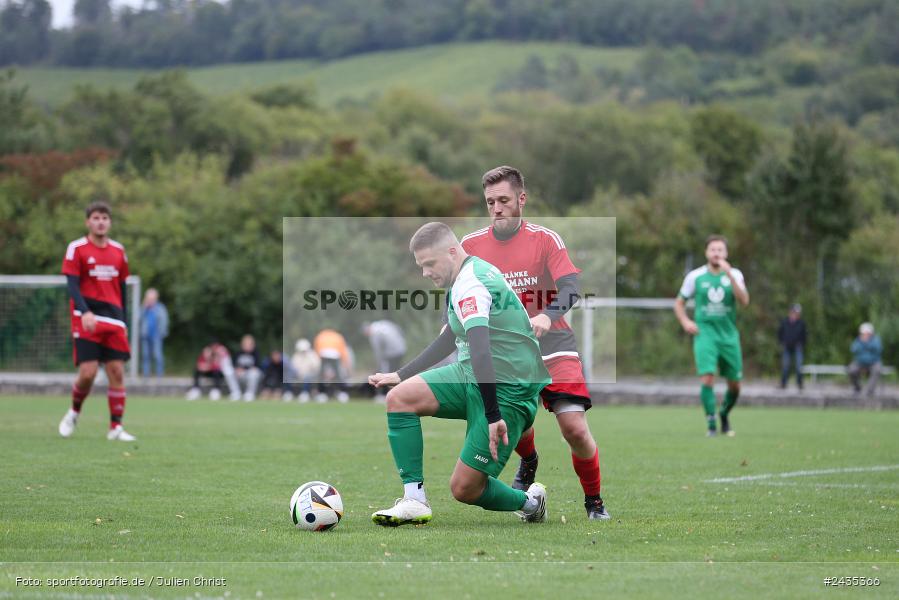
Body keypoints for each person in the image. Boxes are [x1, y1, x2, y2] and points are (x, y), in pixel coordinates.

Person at [368, 222, 551, 527]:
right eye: (421, 266)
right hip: (471, 374)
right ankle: (414, 500)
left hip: (508, 389)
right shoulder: (466, 275)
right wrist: (401, 374)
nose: (425, 272)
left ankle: (531, 503)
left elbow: (480, 350)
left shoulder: (471, 284)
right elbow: (452, 337)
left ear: (452, 252)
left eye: (429, 264)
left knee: (465, 489)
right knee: (399, 398)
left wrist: (493, 417)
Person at [460, 165, 610, 520]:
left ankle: (594, 502)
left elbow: (571, 286)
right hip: (506, 353)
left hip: (554, 344)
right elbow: (459, 295)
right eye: (490, 202)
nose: (496, 208)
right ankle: (529, 459)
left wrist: (546, 314)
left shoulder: (545, 239)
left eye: (504, 200)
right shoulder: (470, 246)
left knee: (573, 428)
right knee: (515, 427)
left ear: (521, 199)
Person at [58, 201, 136, 441]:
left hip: (113, 320)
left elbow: (121, 286)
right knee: (88, 373)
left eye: (104, 218)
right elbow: (72, 284)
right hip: (88, 318)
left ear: (109, 222)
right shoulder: (77, 248)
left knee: (116, 371)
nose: (100, 222)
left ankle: (115, 428)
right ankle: (74, 412)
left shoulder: (118, 251)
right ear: (88, 222)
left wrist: (123, 319)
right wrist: (85, 312)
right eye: (96, 218)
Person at [674, 235, 749, 437]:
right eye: (713, 249)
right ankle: (711, 424)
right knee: (707, 378)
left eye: (720, 250)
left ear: (726, 254)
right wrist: (686, 322)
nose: (716, 253)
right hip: (705, 334)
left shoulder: (735, 274)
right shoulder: (695, 276)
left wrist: (730, 276)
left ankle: (724, 413)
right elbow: (679, 302)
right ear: (707, 253)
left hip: (728, 336)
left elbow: (744, 301)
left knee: (735, 384)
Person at [362, 320, 407, 401]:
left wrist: (378, 364)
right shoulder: (383, 324)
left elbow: (378, 351)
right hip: (401, 348)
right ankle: (401, 393)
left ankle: (385, 395)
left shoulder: (374, 334)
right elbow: (399, 329)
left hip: (391, 352)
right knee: (398, 373)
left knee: (387, 374)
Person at [314, 329, 351, 403]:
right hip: (333, 354)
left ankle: (322, 393)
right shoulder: (338, 336)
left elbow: (316, 348)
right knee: (337, 375)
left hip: (327, 354)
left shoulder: (321, 336)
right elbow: (343, 350)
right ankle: (341, 393)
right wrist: (345, 362)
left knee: (323, 375)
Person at [140, 288, 169, 377]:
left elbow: (164, 321)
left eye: (152, 298)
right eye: (149, 298)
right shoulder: (143, 308)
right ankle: (146, 376)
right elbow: (138, 319)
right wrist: (145, 308)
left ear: (156, 298)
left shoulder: (160, 308)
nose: (150, 300)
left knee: (158, 356)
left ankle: (159, 376)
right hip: (145, 335)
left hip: (157, 335)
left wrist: (162, 333)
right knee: (145, 356)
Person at [849, 322, 883, 397]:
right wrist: (863, 344)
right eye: (864, 333)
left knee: (877, 369)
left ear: (871, 333)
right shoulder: (858, 340)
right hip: (860, 363)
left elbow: (878, 349)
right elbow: (853, 349)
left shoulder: (876, 340)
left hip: (873, 362)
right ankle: (857, 389)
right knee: (851, 369)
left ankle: (870, 391)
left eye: (867, 333)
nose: (865, 335)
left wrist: (865, 344)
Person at [777, 303, 806, 390]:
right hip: (787, 347)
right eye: (793, 312)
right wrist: (782, 342)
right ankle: (783, 384)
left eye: (796, 313)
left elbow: (805, 335)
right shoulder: (784, 322)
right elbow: (779, 333)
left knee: (799, 366)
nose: (795, 314)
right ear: (790, 312)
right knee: (785, 366)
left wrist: (801, 344)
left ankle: (799, 384)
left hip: (798, 347)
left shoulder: (801, 323)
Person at [233, 334, 262, 402]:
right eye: (245, 344)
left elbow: (257, 367)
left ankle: (250, 393)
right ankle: (236, 393)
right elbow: (235, 365)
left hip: (251, 375)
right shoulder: (238, 353)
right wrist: (238, 369)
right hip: (240, 375)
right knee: (230, 372)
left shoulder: (256, 353)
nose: (247, 346)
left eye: (249, 344)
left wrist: (245, 369)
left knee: (254, 373)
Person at [291, 338, 321, 403]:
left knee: (307, 377)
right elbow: (294, 367)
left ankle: (305, 393)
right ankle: (289, 393)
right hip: (299, 375)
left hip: (311, 376)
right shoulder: (296, 356)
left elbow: (316, 366)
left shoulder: (312, 355)